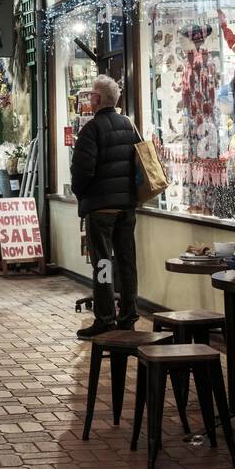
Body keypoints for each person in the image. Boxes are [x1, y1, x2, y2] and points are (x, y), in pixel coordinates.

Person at [69, 75, 139, 340]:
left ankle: (105, 317)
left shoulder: (91, 129)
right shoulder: (128, 125)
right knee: (126, 261)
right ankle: (129, 315)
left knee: (103, 263)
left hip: (101, 209)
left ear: (97, 99)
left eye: (91, 96)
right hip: (126, 207)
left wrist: (82, 195)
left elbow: (82, 171)